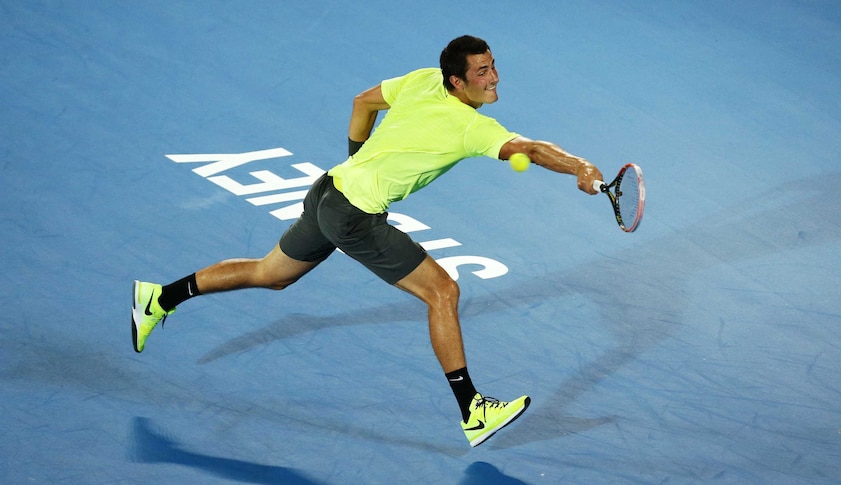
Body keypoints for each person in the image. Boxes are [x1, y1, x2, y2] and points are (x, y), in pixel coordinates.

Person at [131, 35, 603, 447]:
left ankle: (158, 298)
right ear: (457, 82)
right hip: (354, 215)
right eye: (483, 71)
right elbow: (533, 150)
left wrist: (358, 162)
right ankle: (473, 411)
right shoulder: (472, 127)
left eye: (493, 65)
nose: (495, 77)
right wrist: (581, 167)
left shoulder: (423, 80)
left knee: (269, 274)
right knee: (443, 291)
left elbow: (363, 102)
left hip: (328, 190)